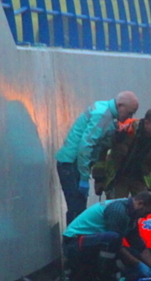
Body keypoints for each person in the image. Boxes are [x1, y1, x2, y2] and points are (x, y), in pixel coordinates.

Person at [56, 91, 139, 224]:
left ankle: (74, 239)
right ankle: (73, 241)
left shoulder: (104, 109)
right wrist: (84, 177)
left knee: (77, 207)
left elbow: (98, 142)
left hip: (72, 162)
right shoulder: (103, 115)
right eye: (129, 112)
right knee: (76, 208)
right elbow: (85, 146)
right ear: (120, 105)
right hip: (71, 163)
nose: (130, 116)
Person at [62, 190, 151, 281]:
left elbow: (139, 245)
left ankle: (106, 276)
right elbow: (116, 245)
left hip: (91, 242)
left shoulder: (132, 216)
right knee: (113, 239)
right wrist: (138, 264)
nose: (145, 216)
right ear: (140, 203)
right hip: (74, 243)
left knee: (134, 254)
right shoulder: (118, 210)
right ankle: (101, 278)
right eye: (146, 212)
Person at [93, 108, 151, 199]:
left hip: (140, 179)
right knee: (115, 206)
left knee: (145, 208)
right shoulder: (125, 131)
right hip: (118, 177)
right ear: (147, 123)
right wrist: (99, 179)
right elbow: (101, 152)